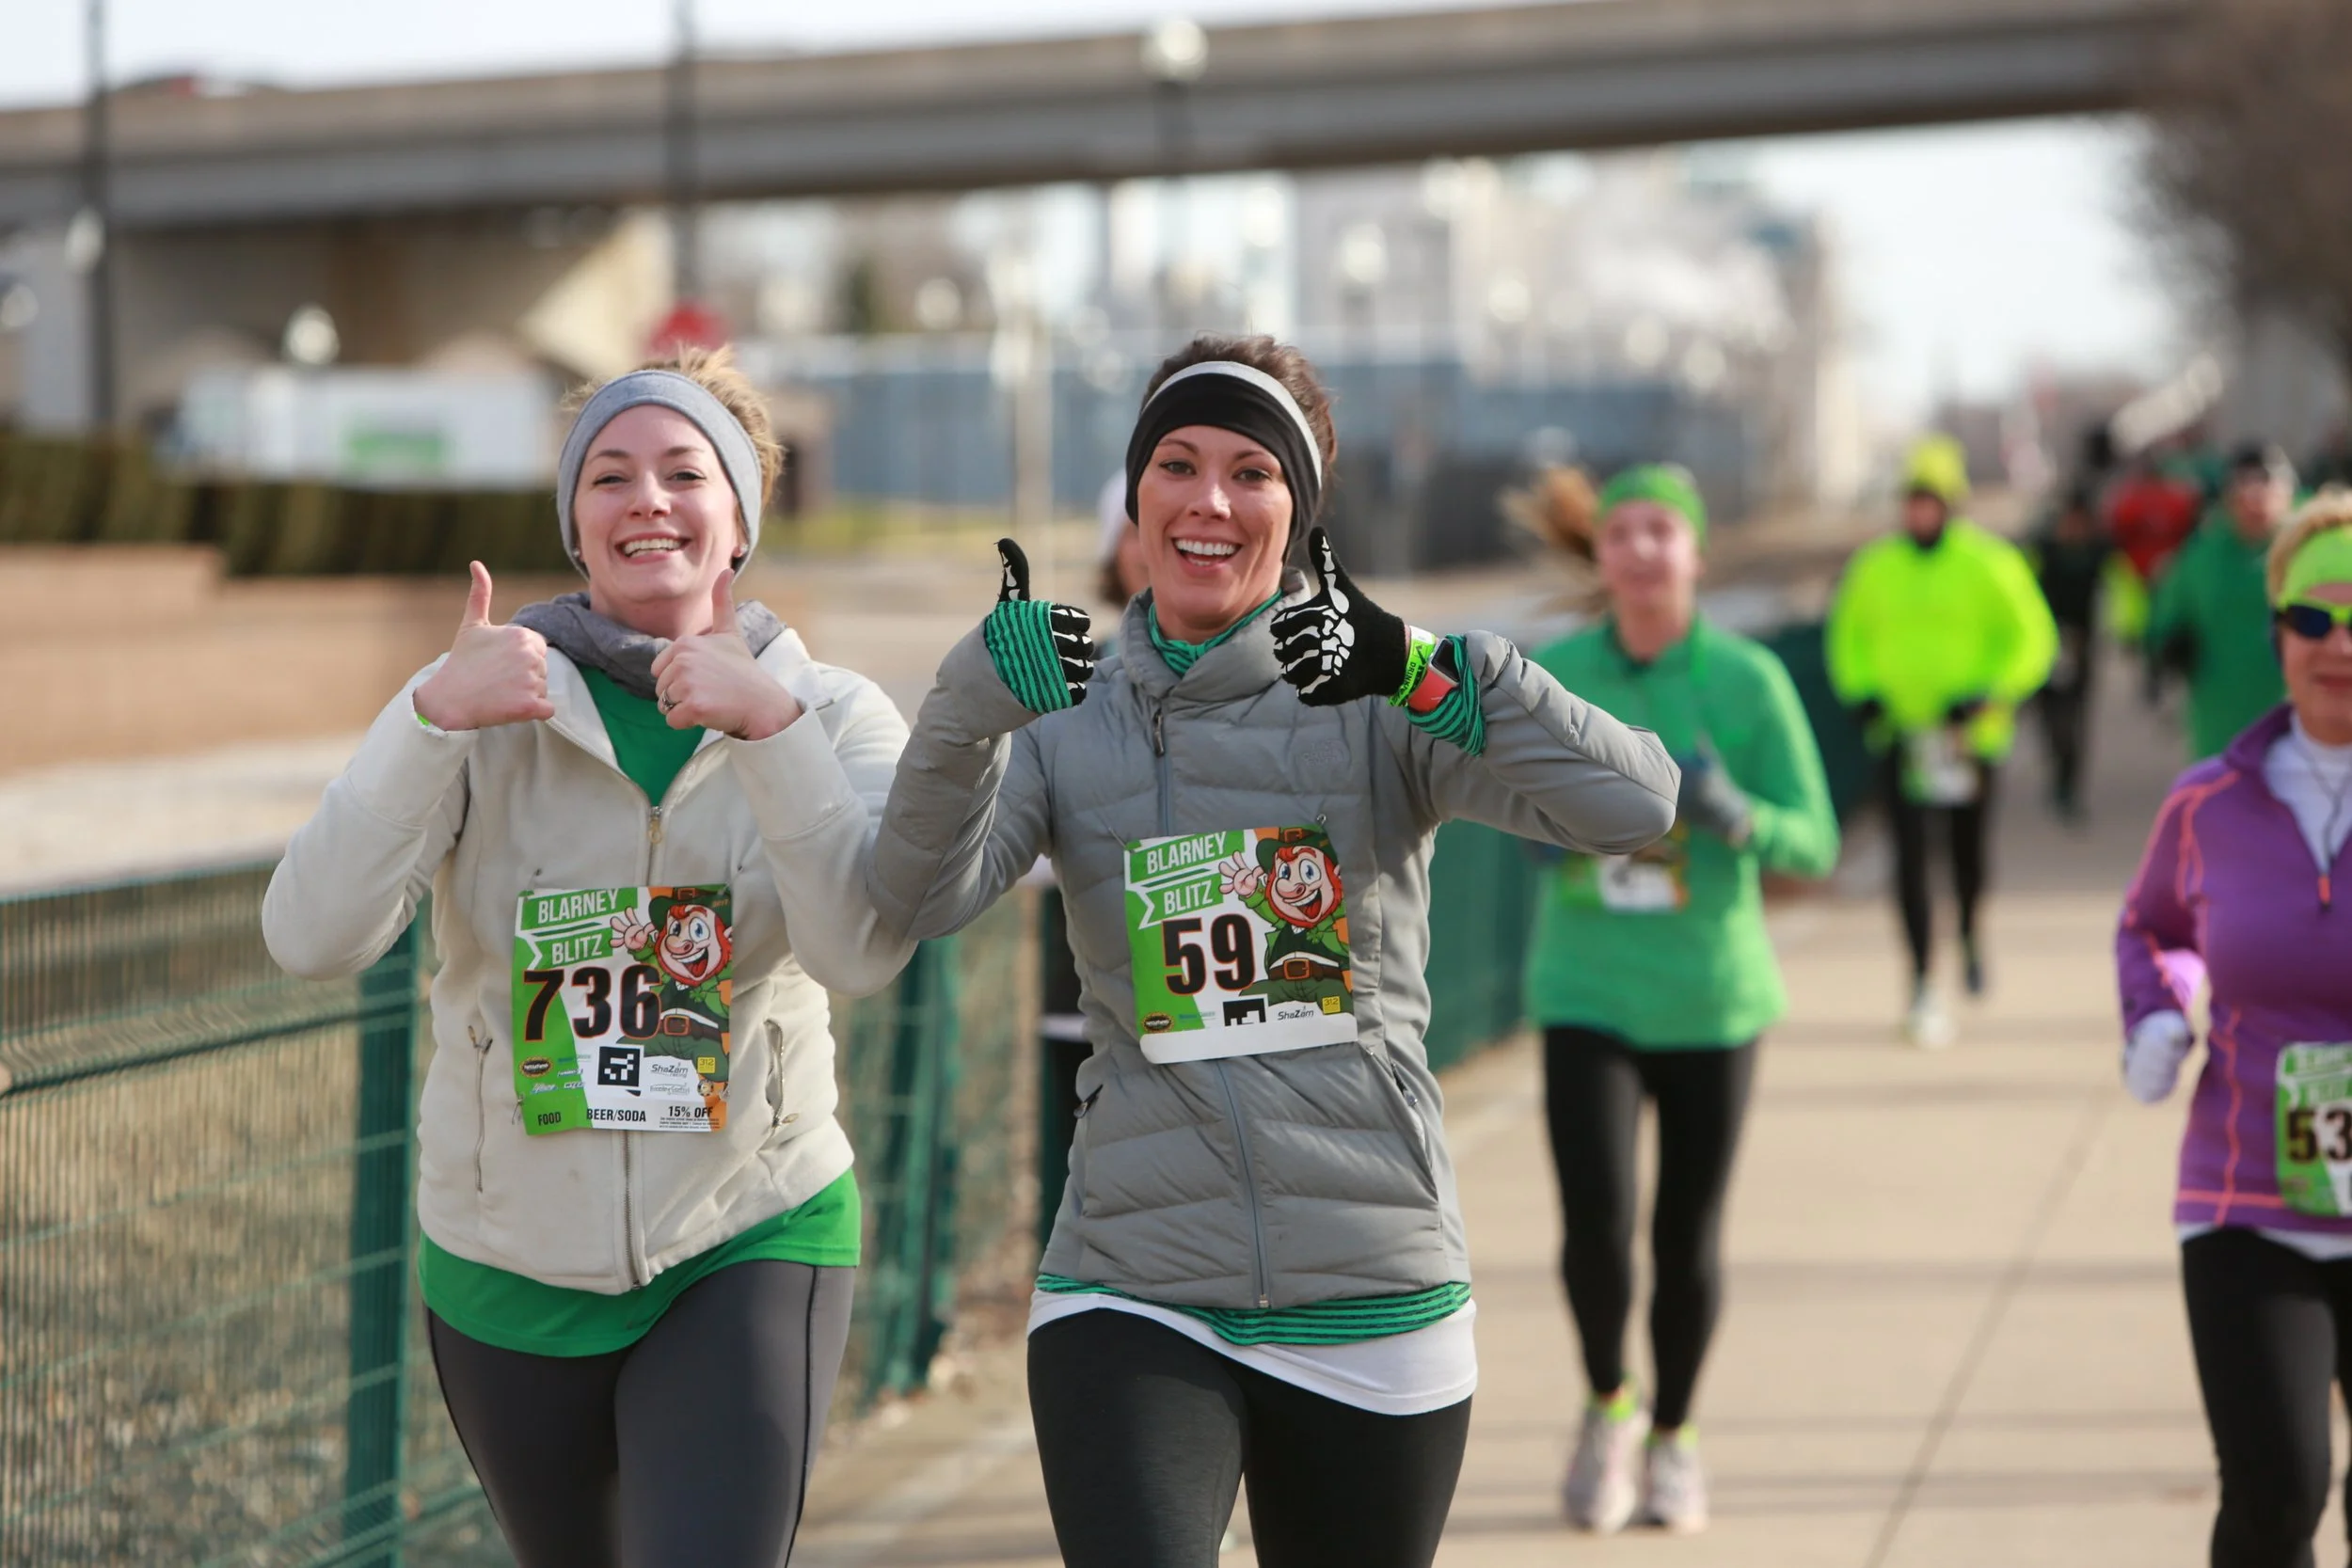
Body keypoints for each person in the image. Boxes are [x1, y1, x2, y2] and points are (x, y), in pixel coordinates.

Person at [867, 334, 1680, 1568]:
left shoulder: (1376, 695)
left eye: (1252, 472)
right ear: (1134, 492)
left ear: (1297, 512)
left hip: (1372, 1275)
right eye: (1177, 464)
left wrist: (1427, 668)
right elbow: (912, 900)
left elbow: (1638, 806)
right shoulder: (1061, 709)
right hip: (1131, 1278)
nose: (1209, 500)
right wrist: (967, 705)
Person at [262, 347, 913, 1568]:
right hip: (504, 1261)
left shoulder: (831, 714)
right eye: (610, 476)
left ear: (738, 523)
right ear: (576, 523)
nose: (647, 499)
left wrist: (771, 735)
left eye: (683, 471)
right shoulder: (477, 704)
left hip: (745, 1230)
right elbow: (310, 935)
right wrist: (425, 724)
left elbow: (862, 948)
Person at [1517, 463, 1838, 1533]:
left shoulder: (1747, 680)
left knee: (1686, 1232)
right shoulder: (1555, 671)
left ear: (1696, 551)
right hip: (1586, 986)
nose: (1644, 549)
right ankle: (1610, 1403)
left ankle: (1676, 1438)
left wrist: (1736, 813)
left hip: (1711, 994)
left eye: (1664, 530)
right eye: (1623, 532)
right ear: (1599, 556)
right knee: (1595, 1222)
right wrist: (1542, 824)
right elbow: (1483, 784)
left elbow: (1817, 836)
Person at [2117, 490, 2352, 1568]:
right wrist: (2159, 1006)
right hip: (2244, 1197)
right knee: (2277, 1490)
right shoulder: (2208, 802)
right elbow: (2154, 924)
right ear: (2277, 635)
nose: (2337, 644)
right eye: (2313, 619)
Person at [1825, 435, 2057, 1047]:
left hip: (1968, 741)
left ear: (1951, 504)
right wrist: (1861, 690)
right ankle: (1922, 978)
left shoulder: (1991, 562)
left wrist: (1990, 692)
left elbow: (2033, 637)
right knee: (1909, 859)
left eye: (1931, 501)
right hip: (1900, 736)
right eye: (1912, 501)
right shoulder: (1874, 566)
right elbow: (1848, 635)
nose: (1919, 512)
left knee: (1966, 853)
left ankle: (1972, 930)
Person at [2147, 441, 2298, 761]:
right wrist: (2169, 645)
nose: (2255, 502)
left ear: (2287, 493)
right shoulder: (2202, 555)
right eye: (2244, 490)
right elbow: (2165, 616)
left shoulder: (2312, 551)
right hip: (2220, 722)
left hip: (2298, 721)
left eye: (2266, 488)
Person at [2029, 480, 2110, 821]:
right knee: (2051, 719)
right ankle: (2058, 769)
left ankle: (2069, 786)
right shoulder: (2041, 552)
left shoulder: (2099, 552)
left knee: (2075, 721)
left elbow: (2121, 595)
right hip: (2044, 646)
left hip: (2081, 647)